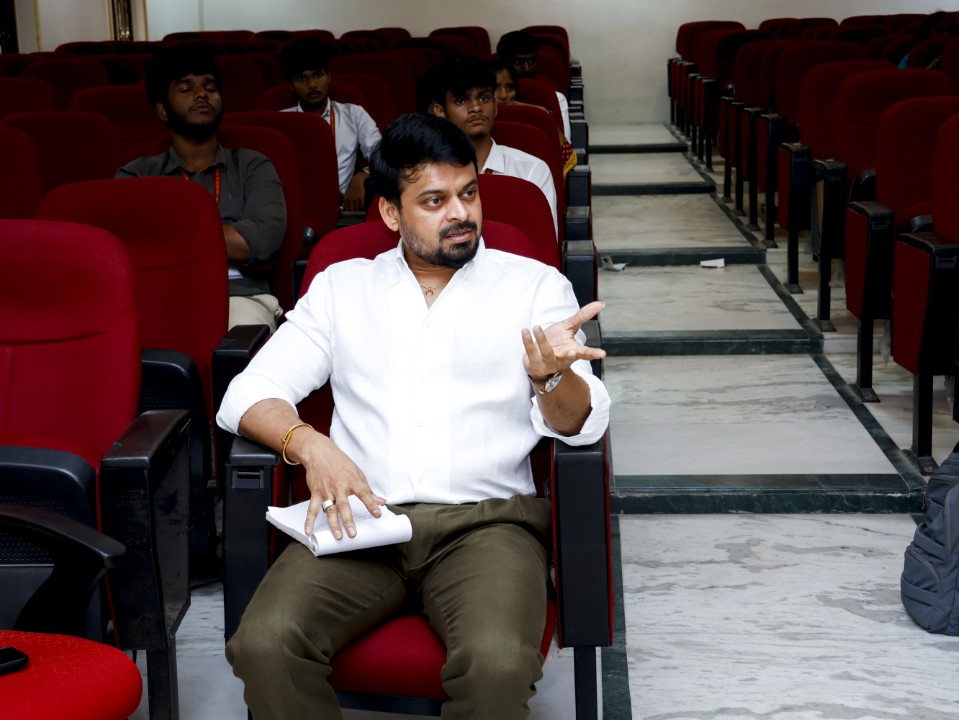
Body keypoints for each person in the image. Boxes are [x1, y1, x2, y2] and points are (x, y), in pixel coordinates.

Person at [217, 112, 610, 719]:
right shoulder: (343, 287)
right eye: (434, 200)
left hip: (487, 525)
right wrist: (310, 444)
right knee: (265, 643)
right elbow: (247, 394)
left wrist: (551, 378)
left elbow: (580, 424)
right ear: (390, 213)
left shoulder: (533, 286)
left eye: (468, 193)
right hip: (362, 520)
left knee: (497, 662)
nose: (461, 213)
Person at [117, 47, 287, 331]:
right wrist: (227, 237)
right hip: (160, 295)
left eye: (210, 88)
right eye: (186, 89)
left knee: (236, 339)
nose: (201, 95)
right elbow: (130, 247)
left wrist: (169, 234)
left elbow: (262, 239)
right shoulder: (136, 175)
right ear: (162, 109)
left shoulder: (252, 165)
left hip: (238, 297)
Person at [426, 55, 559, 239]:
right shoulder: (426, 175)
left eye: (484, 98)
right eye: (461, 101)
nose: (476, 108)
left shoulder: (531, 171)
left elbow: (543, 245)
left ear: (495, 106)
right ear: (440, 112)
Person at [279, 37, 381, 211]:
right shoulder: (281, 121)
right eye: (302, 78)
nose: (312, 85)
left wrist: (361, 176)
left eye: (318, 75)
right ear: (291, 85)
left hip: (342, 210)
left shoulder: (353, 114)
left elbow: (382, 157)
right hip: (293, 209)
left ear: (329, 76)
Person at [489, 57, 578, 178]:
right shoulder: (475, 124)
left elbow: (565, 157)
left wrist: (540, 115)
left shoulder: (534, 118)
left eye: (510, 88)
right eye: (495, 88)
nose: (504, 95)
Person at [496, 30, 572, 142]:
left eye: (531, 61)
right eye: (518, 62)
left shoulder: (554, 97)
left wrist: (541, 114)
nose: (526, 69)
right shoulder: (485, 98)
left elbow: (564, 148)